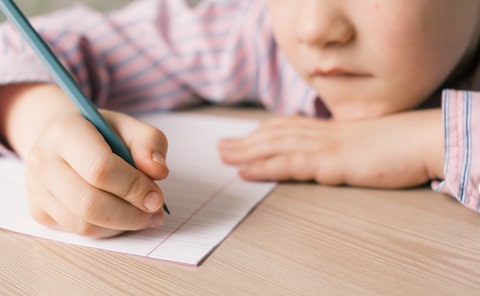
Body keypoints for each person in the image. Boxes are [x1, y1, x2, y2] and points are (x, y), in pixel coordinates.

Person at [0, 0, 478, 238]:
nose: (315, 28)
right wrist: (42, 122)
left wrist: (428, 141)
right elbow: (17, 45)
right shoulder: (261, 39)